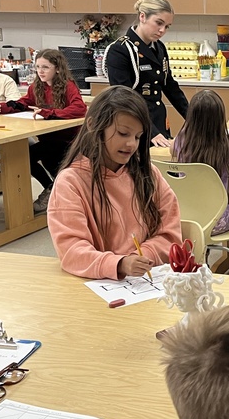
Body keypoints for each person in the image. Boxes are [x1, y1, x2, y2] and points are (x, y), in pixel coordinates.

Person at [47, 86, 182, 280]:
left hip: (146, 281)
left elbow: (170, 234)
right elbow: (72, 250)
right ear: (93, 125)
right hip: (93, 285)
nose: (131, 145)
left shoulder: (148, 174)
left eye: (138, 137)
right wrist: (119, 264)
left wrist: (141, 256)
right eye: (123, 133)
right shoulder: (71, 182)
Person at [0, 49, 87, 214]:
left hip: (67, 139)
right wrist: (0, 107)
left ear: (57, 68)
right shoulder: (37, 86)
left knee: (37, 158)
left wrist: (49, 113)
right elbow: (23, 103)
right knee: (24, 157)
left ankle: (59, 192)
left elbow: (79, 108)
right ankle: (51, 189)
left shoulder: (67, 86)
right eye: (37, 67)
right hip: (47, 139)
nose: (40, 71)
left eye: (45, 67)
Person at [170, 89, 229, 277]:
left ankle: (200, 253)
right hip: (215, 221)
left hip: (185, 216)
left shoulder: (180, 142)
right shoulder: (227, 144)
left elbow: (172, 149)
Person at [104, 0, 189, 148]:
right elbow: (123, 99)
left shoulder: (159, 47)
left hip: (158, 121)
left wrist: (193, 118)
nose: (162, 30)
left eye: (167, 26)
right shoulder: (121, 50)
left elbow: (170, 87)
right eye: (159, 23)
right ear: (142, 17)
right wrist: (151, 131)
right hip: (134, 125)